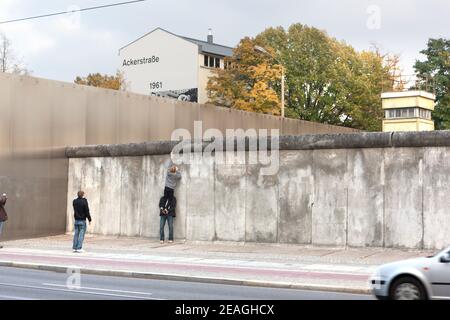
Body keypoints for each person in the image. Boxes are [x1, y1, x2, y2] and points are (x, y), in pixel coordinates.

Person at [160, 165, 181, 244]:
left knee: (166, 198)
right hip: (171, 188)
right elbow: (179, 176)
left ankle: (165, 208)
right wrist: (177, 170)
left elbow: (168, 170)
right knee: (170, 199)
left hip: (166, 187)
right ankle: (169, 239)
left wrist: (172, 168)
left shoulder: (169, 173)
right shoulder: (175, 175)